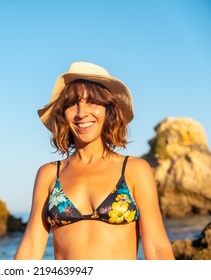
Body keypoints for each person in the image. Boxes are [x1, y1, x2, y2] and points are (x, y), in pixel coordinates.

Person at [14, 62, 175, 260]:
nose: (82, 113)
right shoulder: (49, 174)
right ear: (63, 114)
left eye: (92, 102)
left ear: (108, 110)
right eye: (72, 104)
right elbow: (31, 245)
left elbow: (157, 247)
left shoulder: (134, 170)